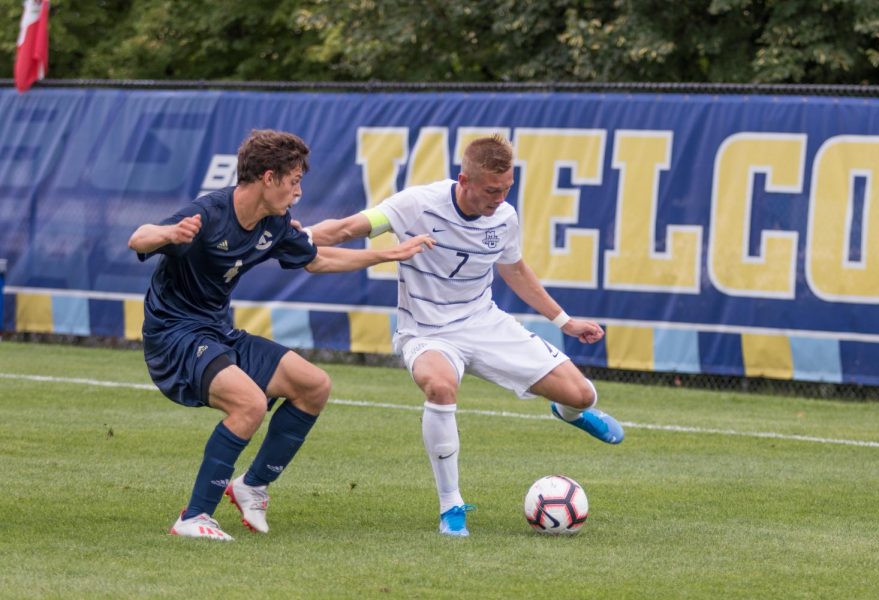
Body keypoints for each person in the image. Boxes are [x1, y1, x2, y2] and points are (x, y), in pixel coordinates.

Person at [308, 134, 624, 537]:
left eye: (508, 187)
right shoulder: (418, 204)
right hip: (426, 331)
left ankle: (569, 412)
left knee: (582, 394)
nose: (501, 197)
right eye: (493, 190)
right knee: (440, 387)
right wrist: (293, 234)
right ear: (464, 180)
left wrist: (565, 322)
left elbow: (515, 271)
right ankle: (451, 506)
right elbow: (349, 227)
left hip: (483, 323)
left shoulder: (504, 217)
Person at [127, 129, 433, 541]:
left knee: (314, 386)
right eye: (294, 181)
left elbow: (318, 260)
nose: (299, 192)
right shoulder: (211, 213)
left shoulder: (273, 224)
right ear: (268, 178)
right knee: (250, 405)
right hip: (174, 334)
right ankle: (194, 517)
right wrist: (168, 234)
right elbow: (138, 237)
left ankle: (251, 485)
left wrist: (387, 254)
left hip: (216, 331)